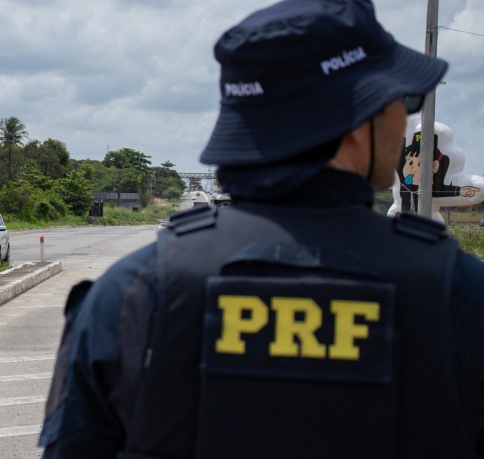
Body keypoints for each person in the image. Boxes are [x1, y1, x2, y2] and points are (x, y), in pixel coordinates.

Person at [39, 0, 484, 457]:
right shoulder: (461, 293)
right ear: (354, 123)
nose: (404, 119)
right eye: (403, 99)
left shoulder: (129, 296)